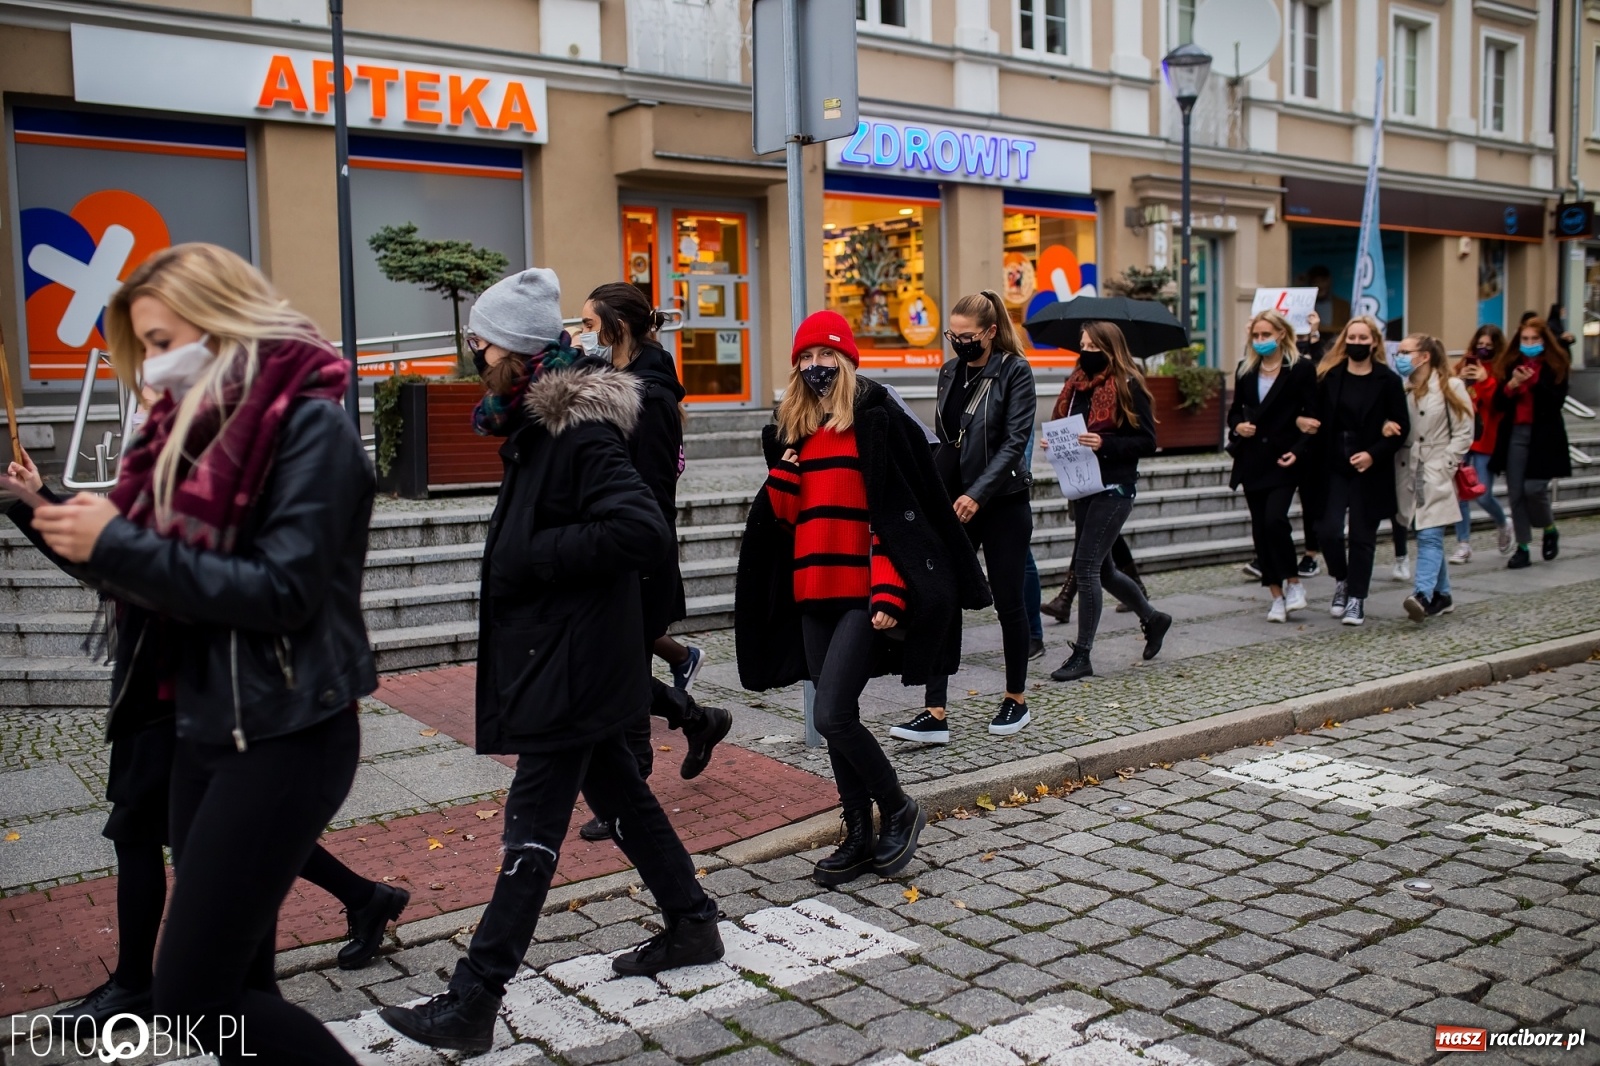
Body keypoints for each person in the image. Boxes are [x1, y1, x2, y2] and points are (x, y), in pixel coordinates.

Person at [26, 243, 377, 1063]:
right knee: (239, 982)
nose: (151, 364)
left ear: (221, 323)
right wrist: (62, 522)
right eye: (143, 346)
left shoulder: (308, 426)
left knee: (191, 998)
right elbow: (151, 569)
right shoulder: (193, 438)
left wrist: (118, 542)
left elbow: (281, 592)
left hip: (287, 733)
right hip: (201, 725)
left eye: (159, 340)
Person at [380, 269, 722, 1054]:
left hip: (570, 660)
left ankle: (474, 999)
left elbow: (642, 532)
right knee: (624, 797)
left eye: (487, 338)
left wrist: (533, 554)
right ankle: (693, 923)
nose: (476, 348)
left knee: (532, 825)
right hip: (570, 654)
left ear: (524, 350)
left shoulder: (580, 428)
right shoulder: (536, 423)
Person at [6, 464, 404, 1040]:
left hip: (201, 689)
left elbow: (238, 577)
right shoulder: (177, 449)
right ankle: (364, 899)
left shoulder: (269, 444)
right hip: (163, 683)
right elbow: (114, 557)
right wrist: (37, 501)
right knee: (201, 841)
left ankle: (138, 983)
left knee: (162, 844)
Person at [735, 311, 989, 887]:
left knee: (832, 713)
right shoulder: (787, 430)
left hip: (860, 588)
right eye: (807, 358)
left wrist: (892, 588)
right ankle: (857, 834)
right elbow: (782, 520)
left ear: (848, 362)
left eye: (828, 357)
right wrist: (785, 470)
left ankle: (898, 807)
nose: (817, 367)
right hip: (810, 588)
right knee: (833, 720)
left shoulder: (877, 422)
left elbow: (904, 516)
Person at [572, 283, 732, 842]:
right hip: (607, 552)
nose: (584, 332)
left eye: (590, 324)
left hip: (638, 557)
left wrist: (633, 552)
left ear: (617, 326)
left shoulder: (654, 396)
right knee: (621, 676)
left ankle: (628, 794)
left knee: (621, 678)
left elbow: (656, 489)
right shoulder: (612, 380)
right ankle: (699, 720)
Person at [892, 290, 1035, 744]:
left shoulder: (1015, 372)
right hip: (956, 501)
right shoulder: (950, 370)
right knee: (942, 595)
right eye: (953, 334)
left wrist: (979, 492)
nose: (959, 342)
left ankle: (1016, 698)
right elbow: (947, 438)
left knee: (1009, 600)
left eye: (968, 335)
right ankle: (935, 711)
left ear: (991, 332)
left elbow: (1014, 442)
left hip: (1003, 501)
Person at [1048, 322, 1172, 682]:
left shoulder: (1128, 384)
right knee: (1103, 571)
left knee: (1086, 567)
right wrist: (1057, 444)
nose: (1085, 351)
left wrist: (1106, 444)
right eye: (1081, 344)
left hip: (1115, 488)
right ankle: (1153, 618)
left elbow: (1147, 442)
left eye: (1092, 346)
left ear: (1110, 349)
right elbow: (1073, 428)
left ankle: (1082, 654)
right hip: (1083, 484)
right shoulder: (1075, 385)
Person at [1311, 315, 1410, 626]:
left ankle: (1357, 598)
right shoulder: (1329, 376)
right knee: (1327, 530)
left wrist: (1373, 453)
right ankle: (1341, 579)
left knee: (1362, 536)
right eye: (1351, 338)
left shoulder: (1388, 380)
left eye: (1362, 338)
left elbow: (1401, 428)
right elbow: (1314, 414)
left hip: (1370, 466)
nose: (1356, 343)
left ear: (1374, 343)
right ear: (1344, 341)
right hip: (1333, 465)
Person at [1227, 310, 1318, 623]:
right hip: (1252, 459)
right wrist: (1239, 427)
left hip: (1283, 458)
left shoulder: (1301, 369)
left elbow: (1313, 415)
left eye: (1266, 335)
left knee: (1275, 520)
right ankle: (1276, 594)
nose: (1261, 341)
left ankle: (1294, 582)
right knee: (1260, 530)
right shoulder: (1246, 369)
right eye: (1256, 336)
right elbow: (1235, 412)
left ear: (1281, 334)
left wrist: (1297, 449)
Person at [1393, 334, 1475, 621]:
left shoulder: (1449, 386)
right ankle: (1443, 594)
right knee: (1423, 529)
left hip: (1435, 467)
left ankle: (1422, 594)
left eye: (1405, 351)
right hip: (1408, 467)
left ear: (1424, 356)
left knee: (1429, 534)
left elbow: (1465, 430)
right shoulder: (1402, 388)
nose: (1400, 357)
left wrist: (1447, 464)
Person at [1491, 316, 1572, 569]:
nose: (1529, 343)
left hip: (1543, 436)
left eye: (1534, 339)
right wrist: (1513, 385)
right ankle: (1523, 547)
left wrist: (1535, 383)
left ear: (1544, 340)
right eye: (1525, 339)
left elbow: (1556, 402)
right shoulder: (1511, 363)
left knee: (1534, 488)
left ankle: (1549, 528)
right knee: (1515, 492)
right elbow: (1498, 403)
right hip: (1515, 433)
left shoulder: (1555, 365)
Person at [1452, 326, 1515, 560]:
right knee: (1460, 493)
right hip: (1462, 437)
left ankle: (1502, 521)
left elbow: (1498, 404)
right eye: (1481, 344)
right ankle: (1463, 543)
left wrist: (1486, 380)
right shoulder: (1464, 366)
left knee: (1482, 493)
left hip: (1486, 439)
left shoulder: (1500, 370)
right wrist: (1457, 382)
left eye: (1489, 346)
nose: (1483, 349)